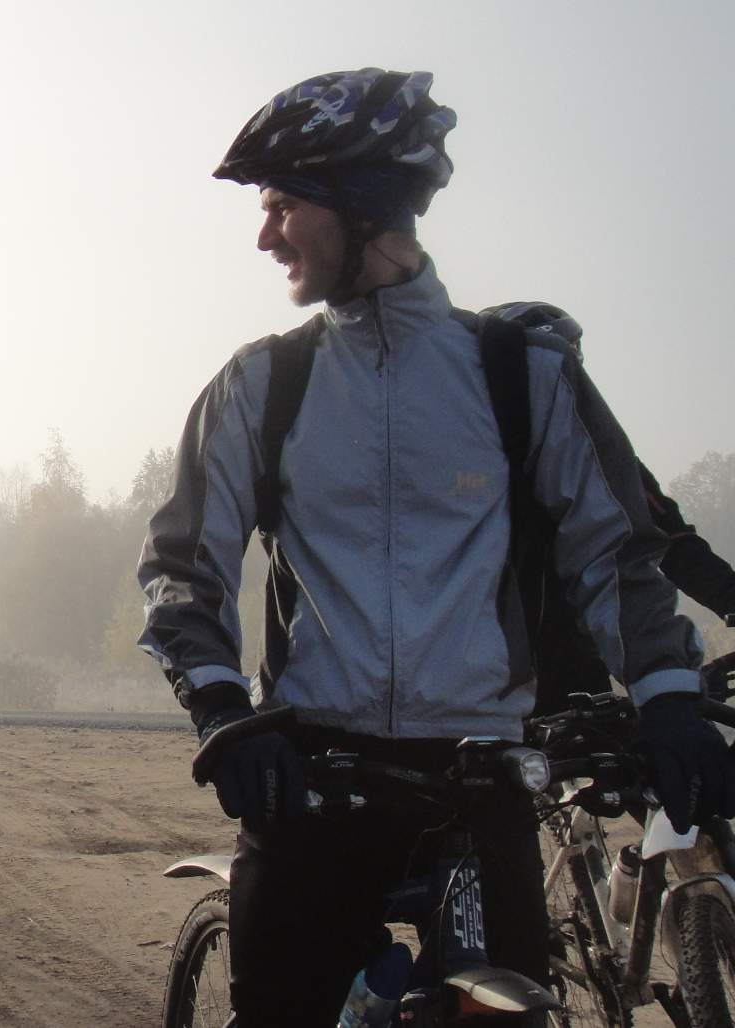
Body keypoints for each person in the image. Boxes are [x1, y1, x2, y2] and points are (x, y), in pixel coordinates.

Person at [136, 69, 726, 1026]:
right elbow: (181, 568)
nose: (265, 236)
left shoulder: (521, 373)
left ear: (361, 205)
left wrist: (667, 700)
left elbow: (616, 553)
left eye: (283, 206)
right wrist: (221, 709)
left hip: (481, 783)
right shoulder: (264, 384)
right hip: (314, 782)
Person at [475, 301, 735, 705]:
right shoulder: (463, 461)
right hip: (475, 682)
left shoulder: (603, 460)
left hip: (576, 670)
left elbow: (674, 544)